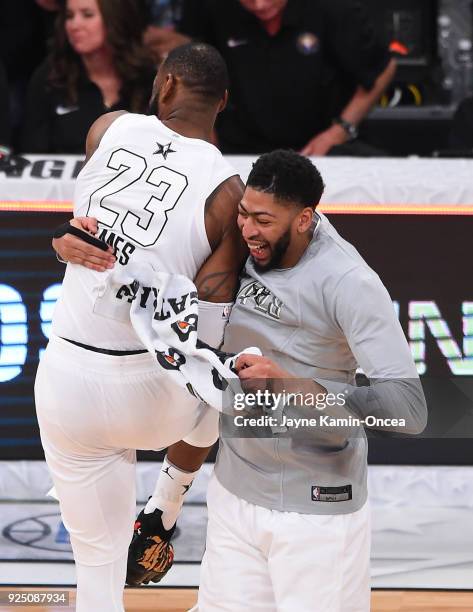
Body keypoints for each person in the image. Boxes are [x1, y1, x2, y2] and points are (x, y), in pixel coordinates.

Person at [55, 149, 427, 611]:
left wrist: (290, 385)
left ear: (305, 218)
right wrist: (71, 247)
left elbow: (407, 411)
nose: (249, 230)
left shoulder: (349, 283)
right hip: (234, 497)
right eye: (244, 213)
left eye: (264, 221)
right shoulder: (238, 240)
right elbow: (144, 277)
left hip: (317, 514)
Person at [35, 42, 248, 612]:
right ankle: (164, 510)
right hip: (156, 400)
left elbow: (87, 223)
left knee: (96, 568)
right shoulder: (230, 194)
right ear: (222, 103)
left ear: (167, 86)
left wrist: (65, 243)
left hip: (70, 384)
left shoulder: (107, 128)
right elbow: (210, 321)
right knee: (213, 382)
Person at [149, 0, 397, 154]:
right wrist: (204, 129)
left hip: (319, 148)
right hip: (236, 148)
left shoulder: (334, 8)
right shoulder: (210, 7)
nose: (260, 4)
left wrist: (340, 130)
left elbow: (381, 68)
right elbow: (196, 63)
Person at [20, 0, 155, 154]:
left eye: (87, 15)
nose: (74, 25)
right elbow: (31, 154)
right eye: (69, 16)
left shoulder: (149, 80)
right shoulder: (50, 77)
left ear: (115, 18)